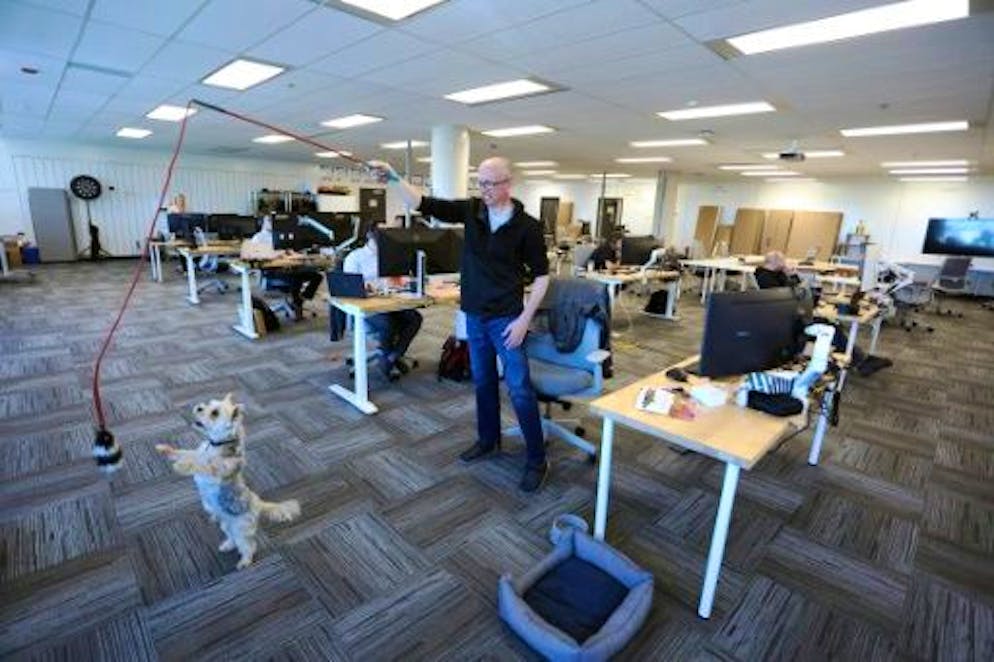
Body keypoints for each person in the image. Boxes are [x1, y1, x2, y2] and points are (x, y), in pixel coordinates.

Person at [368, 157, 551, 493]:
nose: (485, 190)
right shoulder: (472, 211)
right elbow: (422, 203)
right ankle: (488, 440)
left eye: (491, 184)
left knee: (520, 389)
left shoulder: (528, 226)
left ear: (508, 184)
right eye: (480, 183)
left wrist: (525, 320)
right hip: (475, 316)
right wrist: (393, 177)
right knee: (483, 382)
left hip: (508, 319)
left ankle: (537, 459)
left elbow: (541, 277)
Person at [342, 223, 423, 380]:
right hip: (367, 307)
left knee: (415, 318)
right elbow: (349, 287)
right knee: (388, 324)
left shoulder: (392, 255)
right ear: (370, 236)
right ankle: (388, 360)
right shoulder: (355, 257)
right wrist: (367, 286)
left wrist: (403, 281)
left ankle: (391, 356)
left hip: (391, 303)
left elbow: (402, 278)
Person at [244, 215, 321, 320]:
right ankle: (297, 304)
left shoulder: (281, 235)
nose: (272, 223)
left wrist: (297, 255)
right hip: (272, 271)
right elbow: (254, 255)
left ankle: (301, 299)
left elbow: (290, 251)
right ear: (262, 222)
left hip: (289, 267)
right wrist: (273, 255)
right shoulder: (258, 238)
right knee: (295, 278)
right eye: (269, 220)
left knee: (317, 276)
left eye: (273, 220)